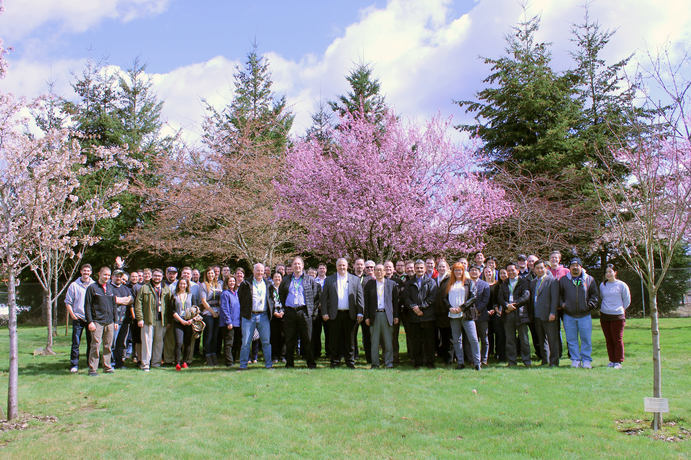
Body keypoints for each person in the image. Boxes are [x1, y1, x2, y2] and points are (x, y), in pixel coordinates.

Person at [279, 256, 321, 368]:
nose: (297, 266)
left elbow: (316, 297)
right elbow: (282, 295)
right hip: (290, 312)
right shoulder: (286, 280)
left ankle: (310, 363)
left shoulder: (310, 280)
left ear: (302, 266)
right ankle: (289, 363)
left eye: (299, 264)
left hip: (304, 312)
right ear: (292, 266)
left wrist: (312, 312)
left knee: (308, 338)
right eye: (295, 264)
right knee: (289, 339)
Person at [321, 258, 364, 368]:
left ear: (347, 266)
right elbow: (324, 298)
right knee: (334, 339)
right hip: (334, 314)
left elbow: (360, 298)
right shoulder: (330, 280)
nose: (342, 267)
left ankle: (350, 362)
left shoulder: (355, 280)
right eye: (340, 265)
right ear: (336, 267)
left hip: (350, 314)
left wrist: (360, 312)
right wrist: (324, 312)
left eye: (344, 265)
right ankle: (335, 362)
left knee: (350, 340)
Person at [559, 258, 600, 369]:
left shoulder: (589, 279)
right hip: (569, 315)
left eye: (577, 265)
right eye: (573, 265)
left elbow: (595, 296)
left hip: (585, 315)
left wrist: (589, 306)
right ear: (569, 268)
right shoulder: (563, 280)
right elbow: (559, 295)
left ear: (581, 267)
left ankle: (586, 360)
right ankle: (575, 360)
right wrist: (563, 304)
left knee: (586, 339)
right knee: (571, 340)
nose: (575, 267)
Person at [441, 262, 481, 370]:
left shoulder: (469, 282)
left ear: (463, 271)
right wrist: (450, 307)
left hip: (466, 314)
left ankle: (477, 362)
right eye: (456, 270)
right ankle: (460, 362)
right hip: (453, 314)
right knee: (456, 339)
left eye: (460, 270)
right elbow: (444, 298)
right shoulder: (449, 283)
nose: (458, 272)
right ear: (452, 271)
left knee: (473, 338)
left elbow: (473, 297)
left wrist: (462, 308)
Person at [135, 268, 172, 372]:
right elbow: (138, 304)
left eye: (159, 276)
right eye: (155, 275)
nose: (157, 278)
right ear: (152, 276)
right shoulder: (144, 288)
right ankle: (145, 364)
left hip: (162, 320)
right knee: (147, 343)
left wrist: (168, 321)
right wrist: (140, 318)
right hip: (148, 319)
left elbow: (169, 306)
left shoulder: (166, 288)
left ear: (162, 277)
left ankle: (156, 363)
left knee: (159, 342)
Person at [238, 263, 274, 369]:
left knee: (266, 341)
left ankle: (269, 365)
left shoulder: (268, 284)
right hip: (249, 316)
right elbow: (241, 298)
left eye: (261, 271)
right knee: (245, 342)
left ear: (264, 272)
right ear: (253, 271)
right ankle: (243, 365)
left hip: (263, 316)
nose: (259, 273)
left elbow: (271, 299)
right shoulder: (246, 283)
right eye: (257, 270)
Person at [403, 259, 437, 368]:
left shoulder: (431, 282)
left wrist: (421, 307)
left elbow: (432, 298)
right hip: (414, 317)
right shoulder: (409, 283)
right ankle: (417, 362)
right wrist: (414, 307)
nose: (419, 270)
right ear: (414, 269)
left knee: (429, 341)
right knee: (416, 341)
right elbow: (406, 298)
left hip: (428, 316)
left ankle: (430, 362)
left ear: (425, 269)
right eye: (417, 268)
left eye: (421, 268)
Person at [84, 266, 118, 376]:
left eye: (109, 275)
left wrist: (116, 321)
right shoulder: (92, 288)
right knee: (95, 346)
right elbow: (87, 306)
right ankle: (93, 369)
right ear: (99, 274)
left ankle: (107, 367)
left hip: (109, 322)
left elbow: (114, 305)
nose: (107, 277)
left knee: (108, 345)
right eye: (105, 274)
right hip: (97, 321)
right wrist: (90, 322)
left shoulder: (110, 288)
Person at [364, 264, 399, 368]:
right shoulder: (369, 284)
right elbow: (366, 302)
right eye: (377, 270)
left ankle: (389, 363)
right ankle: (375, 363)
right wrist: (366, 317)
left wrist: (396, 316)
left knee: (388, 341)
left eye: (381, 270)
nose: (379, 272)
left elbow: (395, 302)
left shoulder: (392, 284)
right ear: (374, 272)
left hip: (387, 315)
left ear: (385, 272)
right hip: (374, 316)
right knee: (374, 341)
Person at [498, 262, 532, 367]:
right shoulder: (504, 283)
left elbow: (526, 296)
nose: (511, 272)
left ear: (517, 270)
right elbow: (500, 298)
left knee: (524, 339)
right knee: (510, 339)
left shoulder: (524, 282)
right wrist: (506, 306)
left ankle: (527, 361)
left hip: (521, 314)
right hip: (508, 314)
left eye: (513, 270)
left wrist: (514, 305)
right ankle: (512, 361)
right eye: (509, 271)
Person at [65, 264, 95, 373]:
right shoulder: (74, 285)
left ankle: (90, 363)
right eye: (84, 271)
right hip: (78, 318)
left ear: (90, 272)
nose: (86, 273)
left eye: (88, 271)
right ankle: (74, 364)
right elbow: (68, 302)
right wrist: (72, 315)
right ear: (81, 272)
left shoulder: (94, 285)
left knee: (91, 343)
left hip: (90, 319)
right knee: (76, 342)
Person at [599, 264, 630, 369]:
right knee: (608, 339)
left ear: (615, 272)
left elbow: (626, 301)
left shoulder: (622, 285)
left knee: (617, 339)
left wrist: (619, 309)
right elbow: (602, 298)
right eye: (606, 272)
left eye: (610, 271)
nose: (608, 274)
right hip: (604, 316)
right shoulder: (602, 285)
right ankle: (612, 360)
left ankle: (618, 361)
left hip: (617, 316)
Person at [530, 260, 560, 366]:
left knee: (552, 340)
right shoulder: (533, 282)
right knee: (541, 340)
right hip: (537, 315)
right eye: (537, 268)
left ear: (546, 268)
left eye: (542, 268)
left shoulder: (552, 281)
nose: (540, 270)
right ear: (534, 269)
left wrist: (553, 313)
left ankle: (554, 362)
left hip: (549, 315)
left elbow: (555, 299)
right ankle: (545, 360)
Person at [199, 267, 223, 366]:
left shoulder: (218, 285)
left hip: (218, 312)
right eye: (208, 273)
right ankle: (208, 355)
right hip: (208, 312)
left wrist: (219, 311)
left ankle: (214, 354)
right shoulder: (203, 285)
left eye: (212, 273)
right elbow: (203, 301)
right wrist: (212, 312)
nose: (211, 275)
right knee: (209, 335)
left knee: (215, 335)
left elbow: (221, 298)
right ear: (206, 274)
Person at [170, 278, 194, 370]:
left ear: (187, 285)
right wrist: (181, 321)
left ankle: (185, 361)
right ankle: (177, 362)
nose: (183, 285)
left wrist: (191, 320)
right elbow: (172, 310)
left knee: (187, 343)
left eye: (184, 284)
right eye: (181, 284)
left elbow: (195, 309)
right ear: (178, 285)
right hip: (178, 321)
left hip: (189, 322)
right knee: (179, 342)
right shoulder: (174, 296)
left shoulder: (190, 295)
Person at [111, 269, 133, 369]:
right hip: (113, 321)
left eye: (120, 276)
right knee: (112, 344)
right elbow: (112, 300)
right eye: (116, 276)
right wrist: (124, 300)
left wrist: (119, 300)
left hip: (124, 321)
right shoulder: (109, 287)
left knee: (121, 343)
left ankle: (119, 363)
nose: (118, 278)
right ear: (112, 277)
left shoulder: (125, 288)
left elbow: (131, 300)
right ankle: (111, 363)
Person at [468, 265, 491, 366]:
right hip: (469, 315)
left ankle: (484, 359)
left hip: (482, 314)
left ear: (480, 272)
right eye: (472, 270)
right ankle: (474, 359)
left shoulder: (485, 284)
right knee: (473, 338)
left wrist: (478, 310)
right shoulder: (466, 284)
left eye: (476, 270)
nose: (474, 272)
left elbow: (485, 300)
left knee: (484, 337)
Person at [483, 266, 504, 362]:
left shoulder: (497, 285)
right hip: (485, 312)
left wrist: (495, 309)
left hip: (496, 311)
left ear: (493, 273)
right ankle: (489, 352)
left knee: (498, 333)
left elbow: (498, 298)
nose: (488, 274)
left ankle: (499, 353)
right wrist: (486, 310)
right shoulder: (481, 284)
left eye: (490, 272)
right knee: (488, 334)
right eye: (486, 272)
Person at [219, 274, 241, 366]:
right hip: (228, 323)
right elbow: (224, 308)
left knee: (237, 342)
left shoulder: (236, 293)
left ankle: (235, 359)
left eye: (233, 281)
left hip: (237, 322)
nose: (232, 283)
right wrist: (228, 321)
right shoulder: (225, 294)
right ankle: (229, 362)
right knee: (229, 343)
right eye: (230, 281)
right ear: (227, 283)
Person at [312, 262, 328, 359]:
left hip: (327, 311)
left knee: (328, 333)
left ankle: (328, 352)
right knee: (316, 333)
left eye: (323, 268)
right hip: (316, 311)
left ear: (325, 270)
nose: (322, 270)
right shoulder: (313, 281)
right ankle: (316, 352)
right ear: (317, 270)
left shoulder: (329, 280)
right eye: (320, 268)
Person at [269, 272, 285, 363]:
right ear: (272, 278)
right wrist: (274, 312)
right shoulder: (270, 289)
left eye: (279, 277)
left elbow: (287, 300)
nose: (277, 278)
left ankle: (283, 355)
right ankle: (274, 356)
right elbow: (268, 301)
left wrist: (283, 312)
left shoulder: (284, 288)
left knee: (283, 336)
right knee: (274, 336)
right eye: (275, 277)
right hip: (273, 315)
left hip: (283, 314)